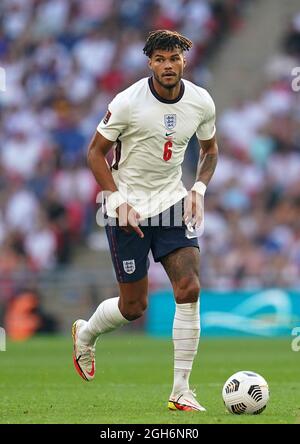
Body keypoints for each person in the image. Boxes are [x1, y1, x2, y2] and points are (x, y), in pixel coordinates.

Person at [72, 30, 218, 412]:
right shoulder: (127, 103)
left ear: (184, 61)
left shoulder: (201, 101)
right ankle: (86, 334)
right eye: (160, 60)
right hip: (127, 209)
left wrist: (199, 189)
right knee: (134, 306)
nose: (168, 66)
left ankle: (181, 390)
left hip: (171, 203)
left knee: (188, 288)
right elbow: (94, 154)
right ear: (150, 63)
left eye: (174, 59)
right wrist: (116, 200)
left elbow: (210, 149)